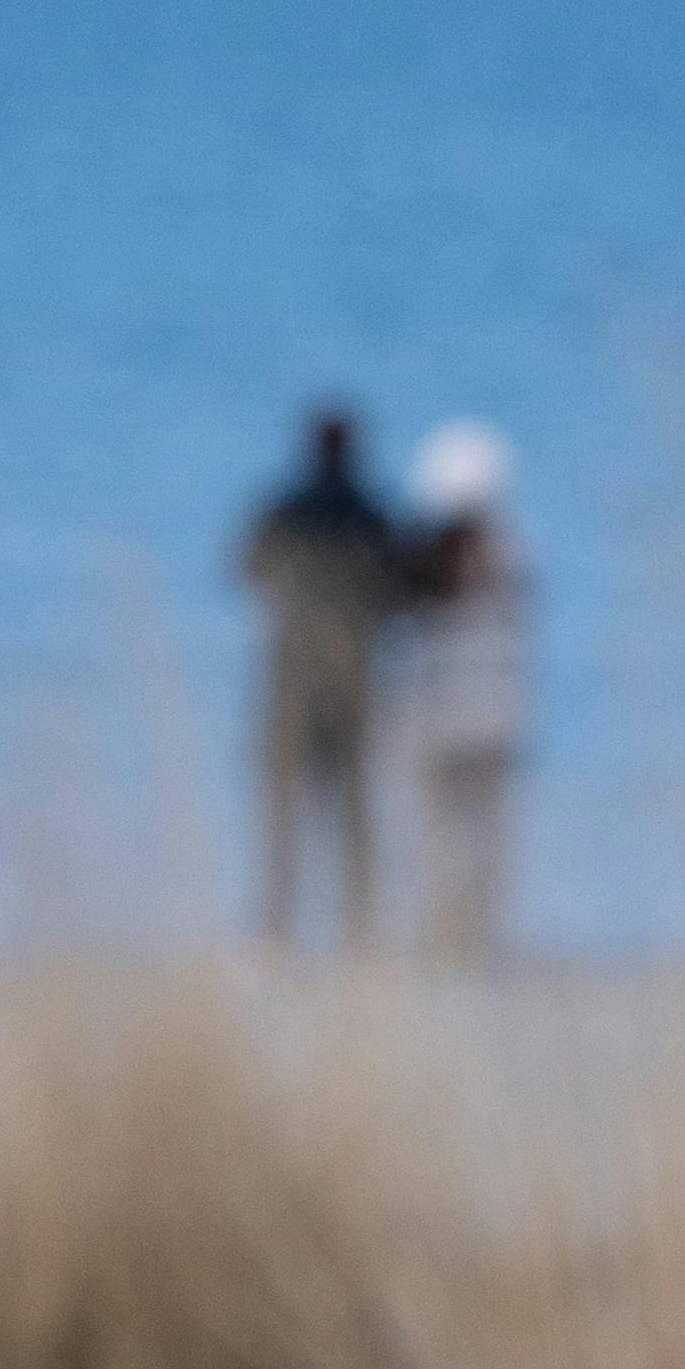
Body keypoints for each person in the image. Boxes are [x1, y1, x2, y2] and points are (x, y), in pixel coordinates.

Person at [235, 405, 403, 952]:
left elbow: (249, 571)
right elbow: (395, 595)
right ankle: (359, 929)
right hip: (353, 678)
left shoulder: (283, 513)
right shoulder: (372, 517)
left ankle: (276, 927)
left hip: (292, 678)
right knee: (354, 810)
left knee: (284, 806)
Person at [396, 419, 531, 966]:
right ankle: (478, 938)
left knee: (441, 836)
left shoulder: (432, 561)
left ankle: (449, 936)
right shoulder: (512, 555)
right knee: (484, 836)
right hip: (495, 720)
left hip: (442, 720)